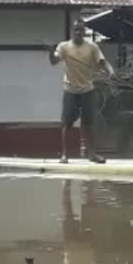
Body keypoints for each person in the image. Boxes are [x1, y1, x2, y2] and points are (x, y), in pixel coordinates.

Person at [49, 19, 115, 164]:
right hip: (70, 90)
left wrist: (110, 71)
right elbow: (54, 61)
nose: (78, 32)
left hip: (87, 90)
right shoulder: (64, 47)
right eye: (76, 30)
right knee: (66, 123)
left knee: (89, 124)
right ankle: (64, 155)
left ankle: (92, 154)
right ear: (72, 31)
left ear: (84, 31)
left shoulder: (92, 47)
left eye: (81, 30)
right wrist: (50, 52)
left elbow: (103, 62)